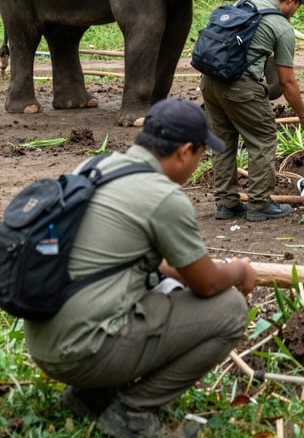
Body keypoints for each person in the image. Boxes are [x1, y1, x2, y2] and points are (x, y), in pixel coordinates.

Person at [23, 98, 260, 438]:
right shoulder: (164, 197)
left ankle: (91, 395)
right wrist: (239, 271)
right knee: (231, 310)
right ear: (185, 152)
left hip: (43, 344)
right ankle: (133, 412)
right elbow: (207, 284)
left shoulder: (95, 166)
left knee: (155, 288)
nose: (199, 162)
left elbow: (123, 261)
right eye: (201, 154)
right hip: (80, 353)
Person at [201, 0, 304, 222]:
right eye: (298, 6)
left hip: (209, 81)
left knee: (223, 141)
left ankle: (226, 203)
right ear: (291, 1)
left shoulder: (245, 5)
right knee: (263, 138)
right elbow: (287, 82)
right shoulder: (281, 27)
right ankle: (260, 204)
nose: (296, 11)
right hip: (239, 87)